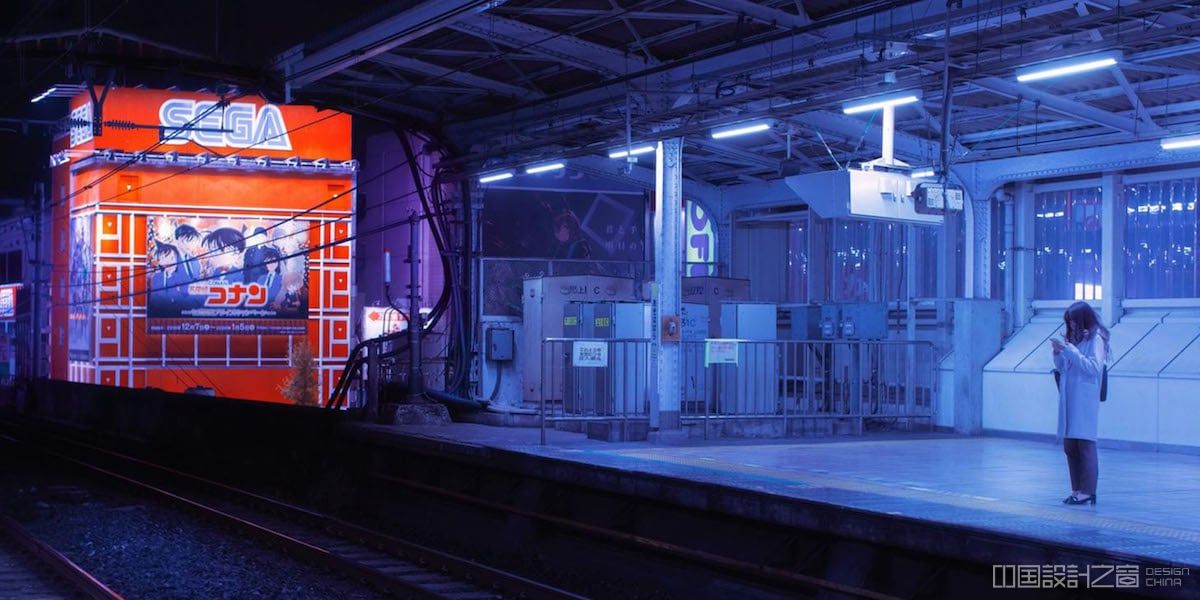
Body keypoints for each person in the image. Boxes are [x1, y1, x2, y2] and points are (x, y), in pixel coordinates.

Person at [1050, 301, 1110, 506]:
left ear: (1084, 319)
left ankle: (1088, 491)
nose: (1072, 326)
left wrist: (1070, 351)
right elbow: (1065, 368)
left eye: (1074, 321)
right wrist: (1058, 355)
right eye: (1069, 322)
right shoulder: (1075, 339)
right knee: (1070, 446)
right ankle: (1076, 489)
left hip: (1085, 398)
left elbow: (1093, 368)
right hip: (1070, 396)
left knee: (1085, 443)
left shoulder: (1096, 339)